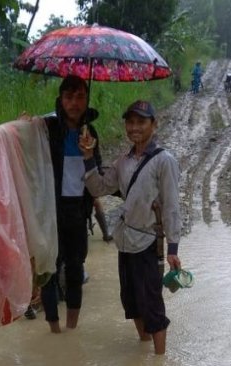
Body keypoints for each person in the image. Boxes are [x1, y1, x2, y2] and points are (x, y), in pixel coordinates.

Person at [78, 100, 182, 355]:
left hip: (150, 243)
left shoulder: (164, 161)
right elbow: (99, 188)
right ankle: (143, 348)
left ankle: (159, 358)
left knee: (152, 305)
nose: (135, 127)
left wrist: (173, 247)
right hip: (125, 242)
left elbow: (171, 206)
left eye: (141, 122)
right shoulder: (123, 161)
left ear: (153, 125)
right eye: (130, 122)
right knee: (132, 302)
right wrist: (89, 157)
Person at [39, 74, 104, 333]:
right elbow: (26, 145)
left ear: (87, 99)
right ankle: (54, 330)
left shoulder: (91, 131)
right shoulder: (47, 128)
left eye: (80, 97)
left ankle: (72, 329)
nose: (74, 103)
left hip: (78, 209)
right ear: (60, 100)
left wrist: (89, 153)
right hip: (51, 209)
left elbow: (96, 173)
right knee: (48, 270)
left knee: (76, 268)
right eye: (69, 97)